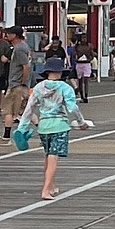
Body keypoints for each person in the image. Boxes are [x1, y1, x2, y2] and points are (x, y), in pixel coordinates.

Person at [16, 57, 89, 199]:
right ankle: (45, 189)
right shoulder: (65, 88)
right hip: (59, 125)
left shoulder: (38, 88)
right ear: (61, 73)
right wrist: (81, 122)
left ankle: (52, 186)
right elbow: (72, 108)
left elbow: (29, 109)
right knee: (54, 157)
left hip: (43, 126)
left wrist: (21, 128)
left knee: (48, 156)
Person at [0, 25, 31, 142]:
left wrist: (22, 82)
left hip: (16, 84)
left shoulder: (19, 48)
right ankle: (37, 131)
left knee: (9, 110)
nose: (7, 35)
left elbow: (25, 66)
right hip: (18, 83)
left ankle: (6, 136)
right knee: (24, 110)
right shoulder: (22, 47)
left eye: (9, 33)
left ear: (15, 35)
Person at [73, 36, 96, 102]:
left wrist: (89, 59)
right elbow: (74, 54)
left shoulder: (89, 46)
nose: (84, 39)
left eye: (85, 38)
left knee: (86, 80)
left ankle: (86, 96)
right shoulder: (77, 46)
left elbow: (92, 54)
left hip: (86, 64)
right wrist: (76, 59)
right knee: (80, 80)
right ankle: (82, 96)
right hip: (79, 64)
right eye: (82, 38)